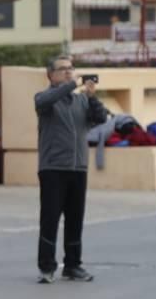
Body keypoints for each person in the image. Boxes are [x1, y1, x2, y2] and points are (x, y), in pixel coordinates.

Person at [34, 55, 107, 284]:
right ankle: (47, 267)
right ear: (51, 75)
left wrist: (92, 96)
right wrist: (71, 85)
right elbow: (45, 101)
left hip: (78, 168)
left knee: (75, 219)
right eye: (63, 69)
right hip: (53, 168)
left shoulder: (81, 101)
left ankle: (73, 265)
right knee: (50, 219)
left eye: (71, 69)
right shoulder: (45, 99)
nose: (68, 72)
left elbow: (100, 117)